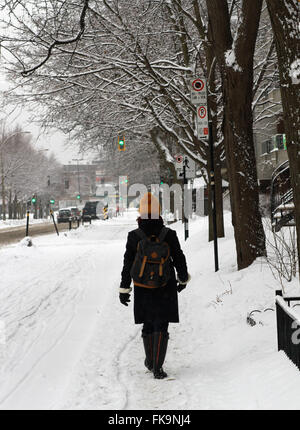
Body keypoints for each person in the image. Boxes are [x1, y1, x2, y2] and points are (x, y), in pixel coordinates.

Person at [119, 192, 190, 379]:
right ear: (159, 213)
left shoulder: (134, 236)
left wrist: (124, 289)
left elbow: (128, 264)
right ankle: (158, 367)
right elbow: (179, 258)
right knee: (162, 325)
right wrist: (182, 279)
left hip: (142, 287)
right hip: (165, 286)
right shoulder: (169, 234)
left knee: (148, 323)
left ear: (140, 214)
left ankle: (150, 361)